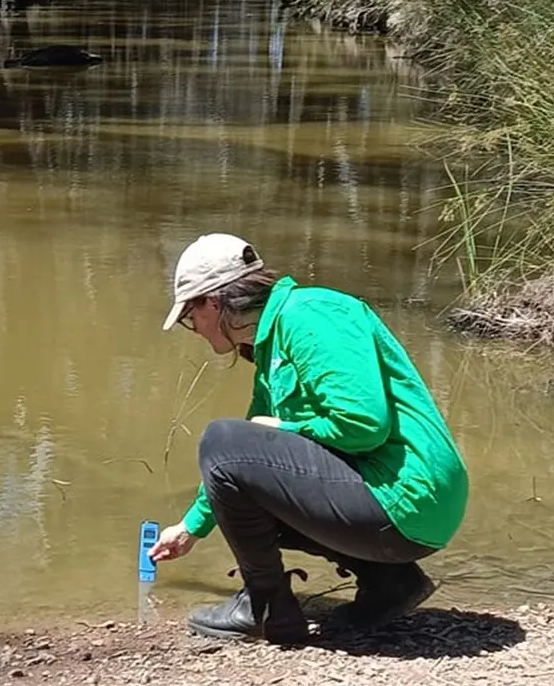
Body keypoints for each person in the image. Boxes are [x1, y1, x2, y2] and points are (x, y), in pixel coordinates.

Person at [146, 233, 468, 645]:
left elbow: (365, 425)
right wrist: (191, 528)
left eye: (191, 317)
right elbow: (246, 471)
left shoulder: (312, 314)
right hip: (399, 507)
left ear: (212, 302)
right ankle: (392, 585)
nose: (193, 330)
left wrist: (284, 430)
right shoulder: (271, 345)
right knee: (237, 463)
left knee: (219, 438)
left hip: (407, 499)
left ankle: (264, 608)